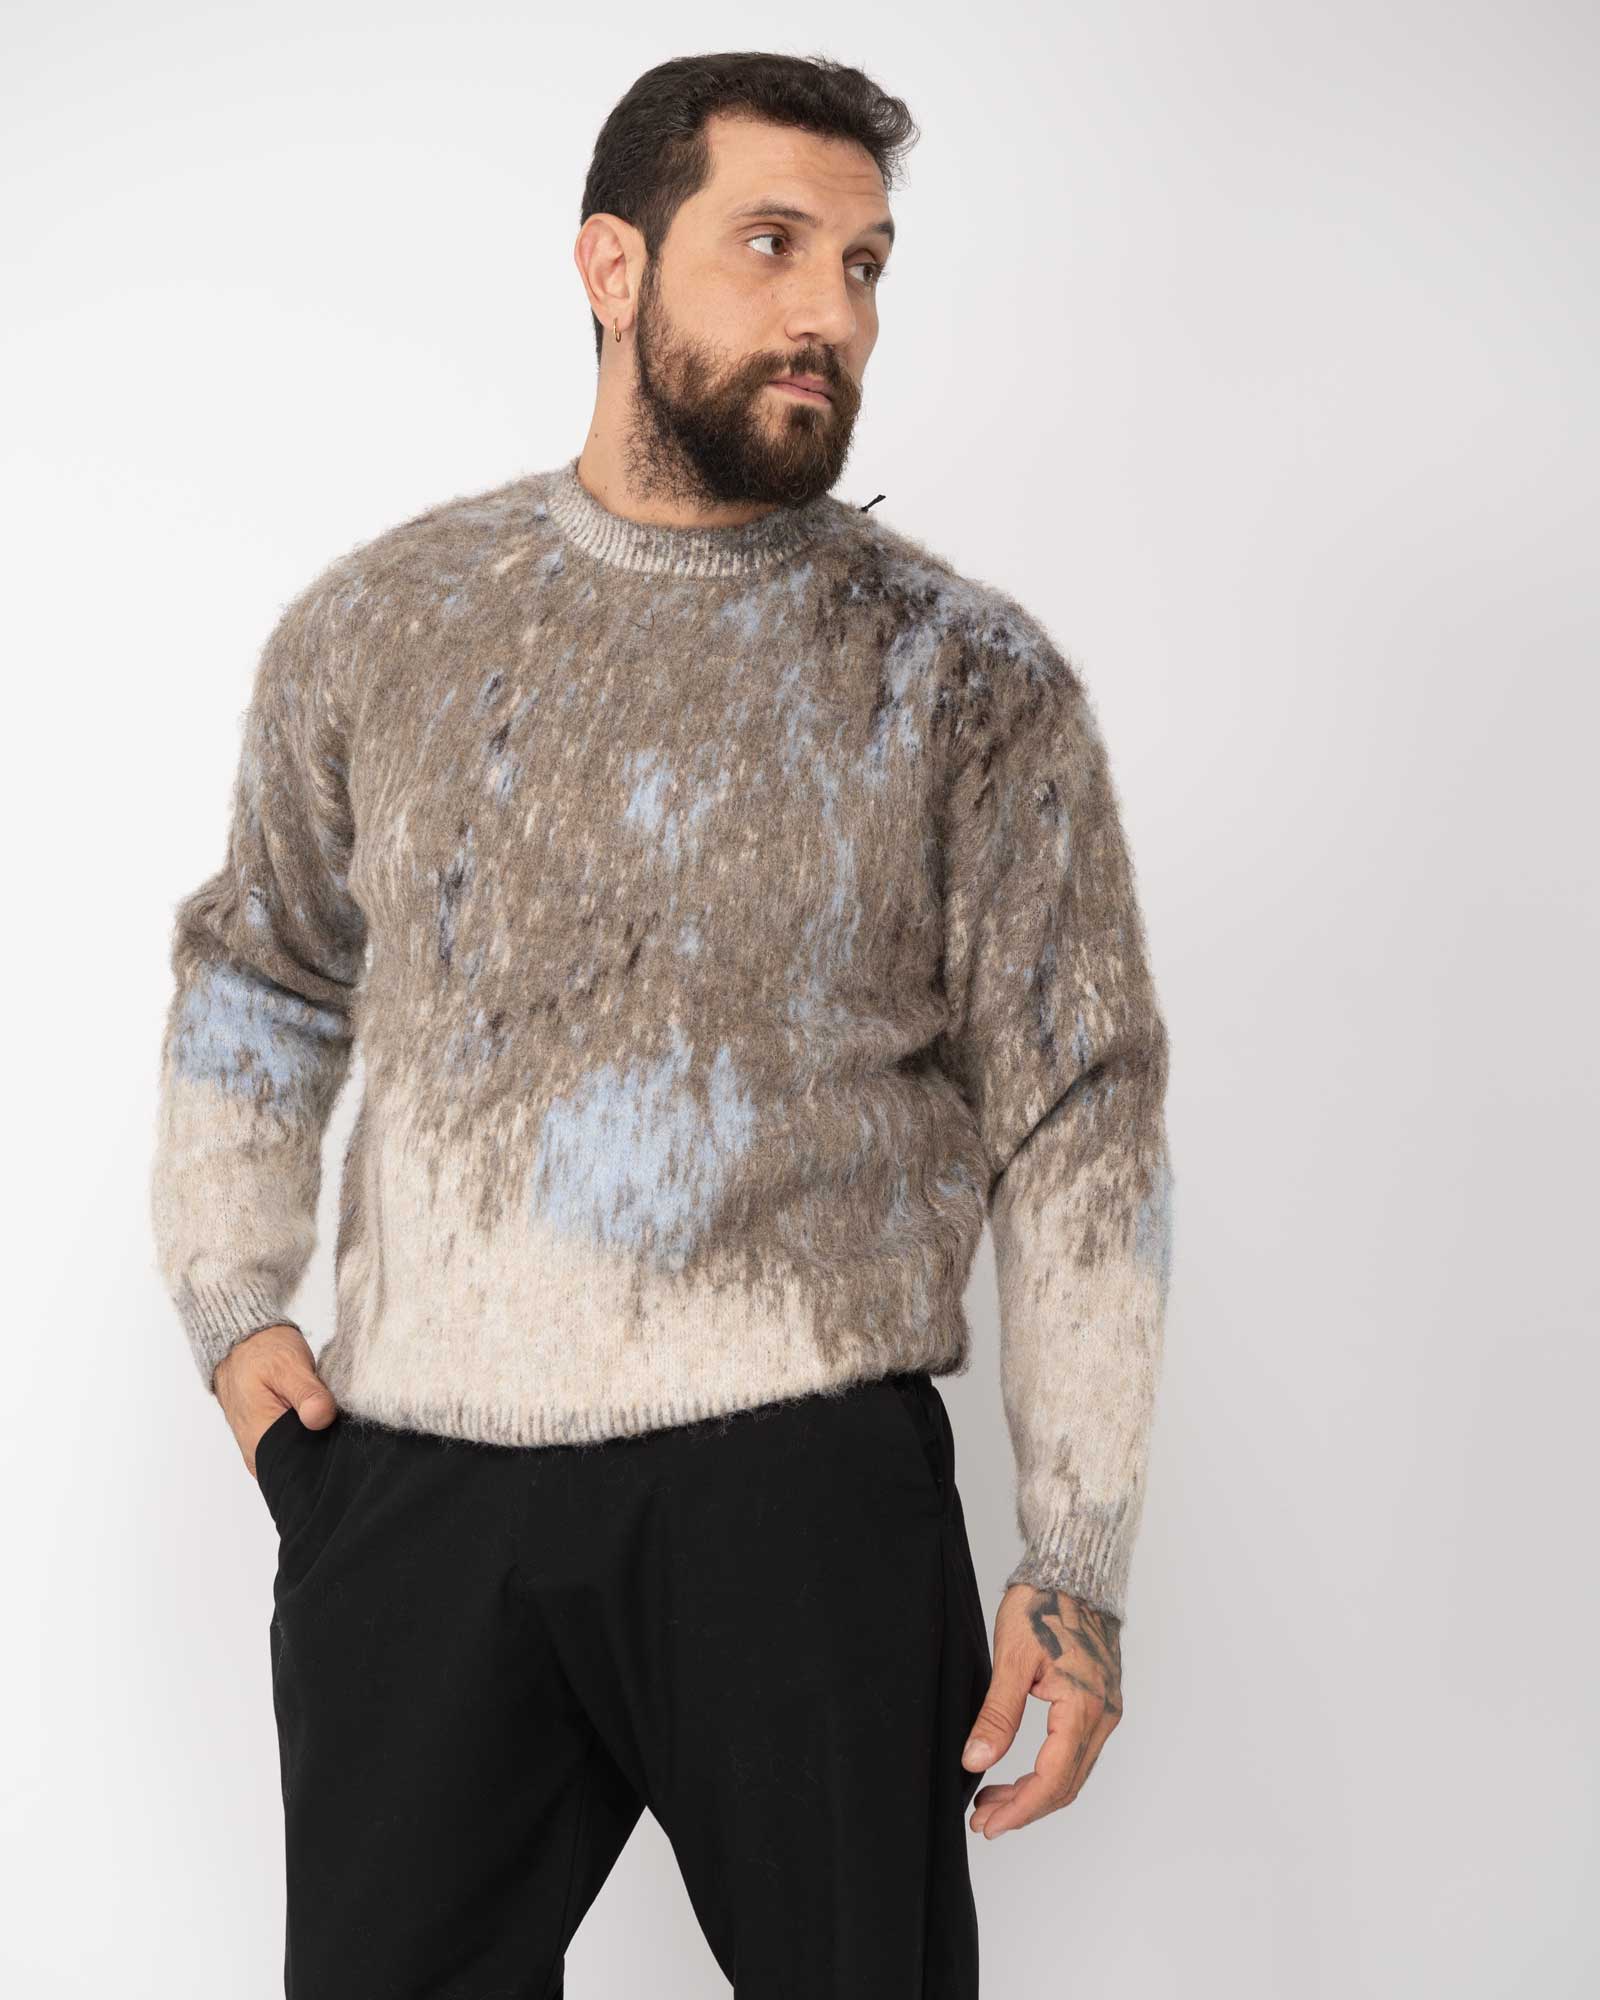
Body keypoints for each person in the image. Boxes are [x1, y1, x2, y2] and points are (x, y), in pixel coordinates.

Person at [149, 48, 1175, 2000]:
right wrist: (232, 1300)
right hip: (415, 1483)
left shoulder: (964, 676)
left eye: (863, 264)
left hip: (799, 1499)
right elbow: (262, 967)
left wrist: (1076, 1559)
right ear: (609, 266)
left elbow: (1080, 1120)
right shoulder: (385, 624)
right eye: (771, 243)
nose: (828, 312)